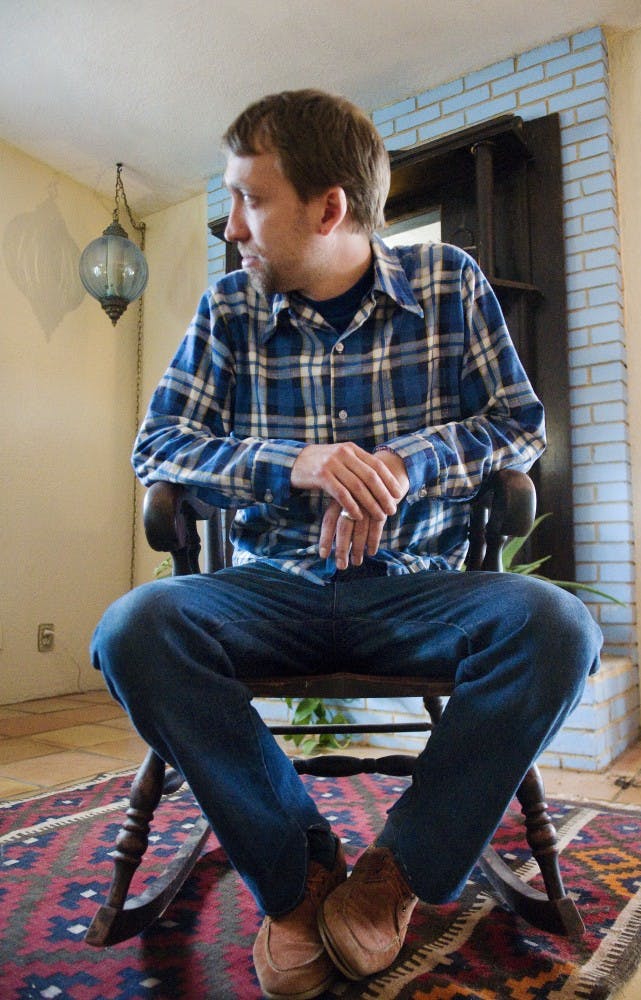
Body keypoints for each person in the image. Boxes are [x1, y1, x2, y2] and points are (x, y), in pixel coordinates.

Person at [91, 89, 602, 999]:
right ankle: (298, 878)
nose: (232, 226)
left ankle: (393, 876)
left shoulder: (448, 284)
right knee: (135, 628)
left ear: (329, 208)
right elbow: (157, 446)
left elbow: (521, 426)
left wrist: (408, 462)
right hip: (271, 589)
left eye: (250, 199)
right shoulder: (228, 312)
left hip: (420, 589)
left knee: (560, 628)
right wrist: (296, 462)